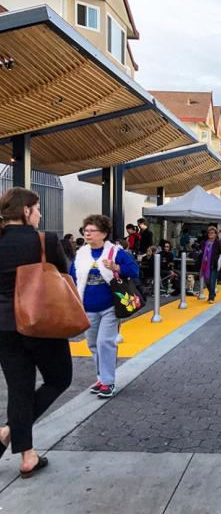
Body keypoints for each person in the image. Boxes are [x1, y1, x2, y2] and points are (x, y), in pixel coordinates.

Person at [0, 188, 72, 478]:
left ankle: (26, 452)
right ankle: (8, 432)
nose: (40, 214)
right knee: (59, 379)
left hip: (3, 327)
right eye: (38, 208)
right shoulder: (46, 240)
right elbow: (63, 273)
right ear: (25, 211)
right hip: (41, 322)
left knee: (19, 389)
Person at [72, 214, 139, 399]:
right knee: (93, 344)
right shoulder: (81, 254)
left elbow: (134, 270)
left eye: (92, 231)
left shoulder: (116, 252)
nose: (87, 234)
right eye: (86, 230)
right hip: (87, 307)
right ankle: (101, 378)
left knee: (104, 343)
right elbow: (72, 276)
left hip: (111, 306)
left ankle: (108, 382)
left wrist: (116, 267)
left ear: (103, 233)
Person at [198, 226, 221, 304]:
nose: (210, 234)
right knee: (207, 281)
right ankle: (212, 293)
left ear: (216, 234)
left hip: (213, 265)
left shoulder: (218, 243)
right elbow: (202, 252)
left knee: (212, 281)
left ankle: (211, 298)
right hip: (205, 265)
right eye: (209, 233)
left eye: (212, 233)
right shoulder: (204, 242)